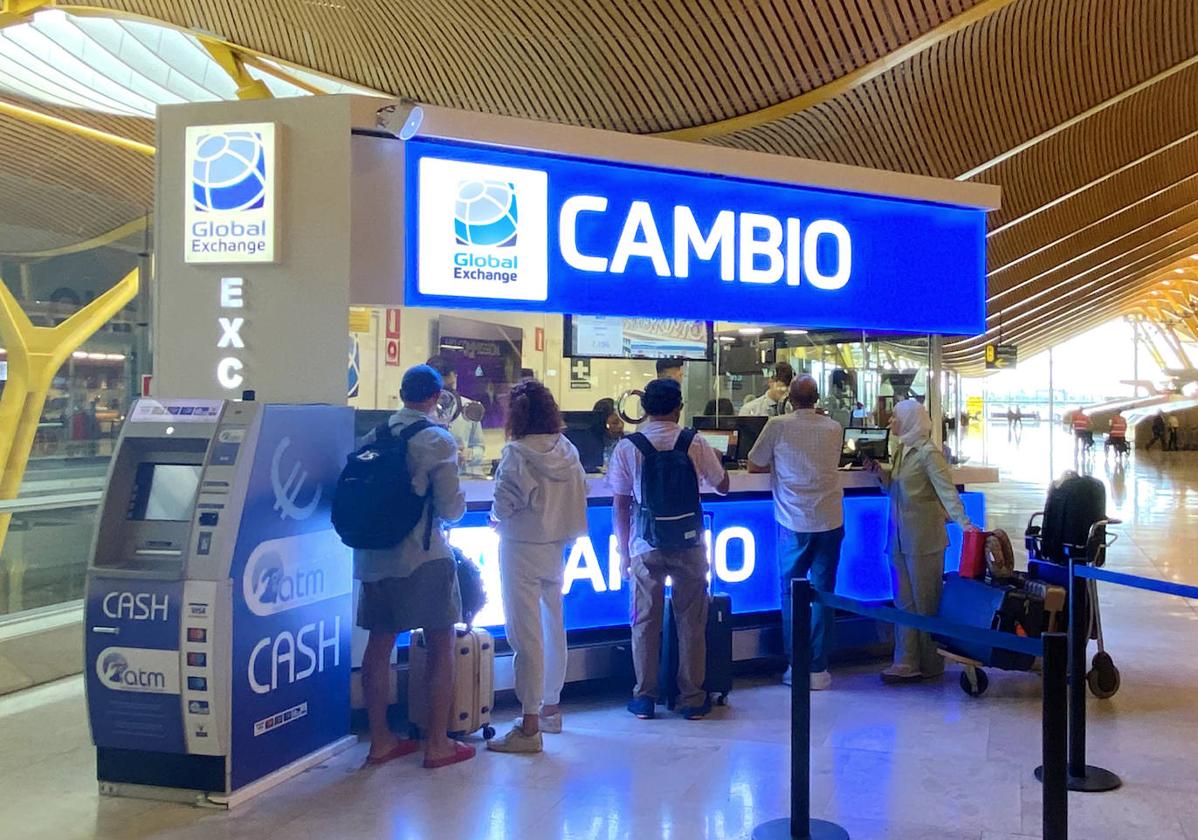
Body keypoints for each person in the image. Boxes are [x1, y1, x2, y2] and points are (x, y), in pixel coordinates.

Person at [356, 365, 473, 769]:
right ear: (436, 397)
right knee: (441, 643)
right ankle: (437, 743)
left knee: (379, 643)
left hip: (373, 556)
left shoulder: (375, 435)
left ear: (402, 392)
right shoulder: (436, 440)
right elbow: (451, 508)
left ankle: (380, 741)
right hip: (423, 557)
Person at [608, 378, 730, 720]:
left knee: (645, 622)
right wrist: (716, 460)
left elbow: (619, 504)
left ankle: (644, 697)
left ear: (644, 409)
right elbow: (723, 485)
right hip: (690, 542)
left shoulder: (628, 447)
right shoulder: (695, 442)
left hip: (645, 544)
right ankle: (692, 697)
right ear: (679, 407)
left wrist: (623, 551)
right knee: (691, 621)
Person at [488, 380, 589, 754]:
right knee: (553, 626)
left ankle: (529, 725)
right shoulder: (568, 450)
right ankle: (550, 707)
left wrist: (496, 520)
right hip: (554, 547)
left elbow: (505, 502)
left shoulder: (516, 454)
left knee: (524, 635)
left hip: (520, 548)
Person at [867, 398, 976, 684]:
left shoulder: (928, 454)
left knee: (926, 602)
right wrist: (881, 476)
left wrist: (964, 524)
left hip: (924, 540)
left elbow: (946, 491)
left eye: (895, 418)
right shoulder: (904, 450)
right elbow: (898, 490)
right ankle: (906, 660)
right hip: (899, 539)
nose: (891, 422)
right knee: (904, 601)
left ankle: (931, 662)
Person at [747, 375, 844, 691]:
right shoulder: (834, 428)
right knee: (824, 594)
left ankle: (798, 666)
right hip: (830, 518)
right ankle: (819, 666)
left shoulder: (778, 425)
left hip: (794, 521)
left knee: (792, 595)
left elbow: (753, 464)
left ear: (790, 398)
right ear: (817, 399)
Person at [426, 354, 485, 471]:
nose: (447, 393)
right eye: (441, 388)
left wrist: (470, 454)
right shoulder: (416, 408)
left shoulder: (468, 407)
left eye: (451, 386)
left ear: (456, 378)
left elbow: (480, 447)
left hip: (460, 478)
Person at [593, 397, 625, 463]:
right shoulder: (592, 444)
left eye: (622, 420)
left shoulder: (628, 441)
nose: (620, 425)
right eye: (614, 423)